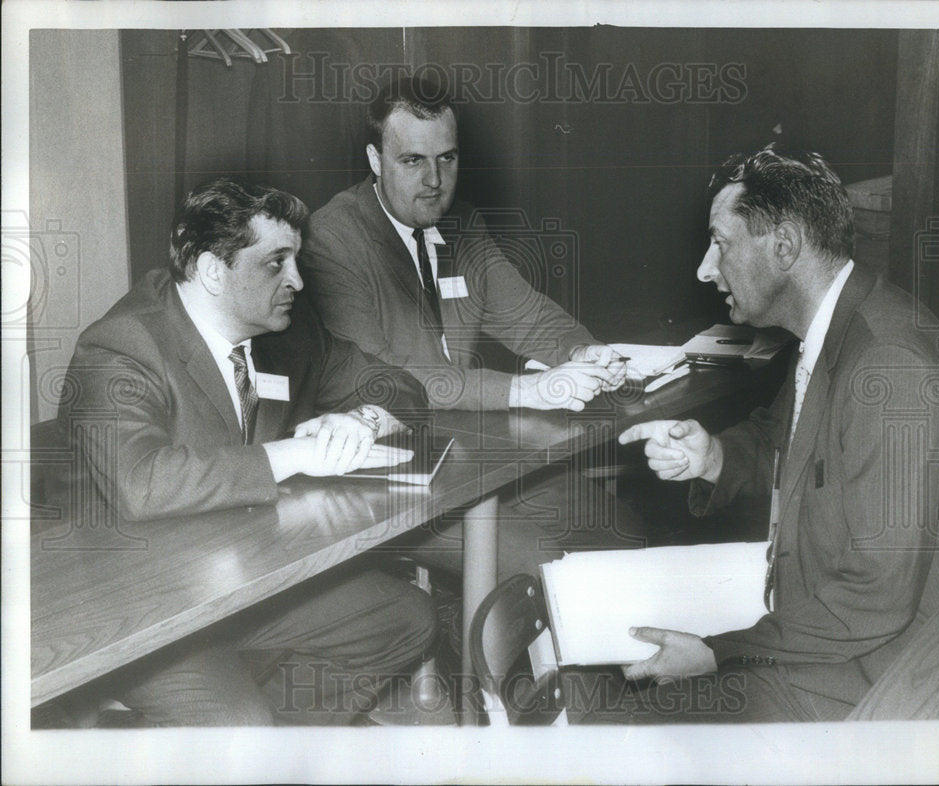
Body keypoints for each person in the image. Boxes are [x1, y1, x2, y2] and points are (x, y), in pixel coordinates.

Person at [605, 146, 939, 723]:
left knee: (632, 719)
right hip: (837, 637)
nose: (705, 267)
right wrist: (715, 455)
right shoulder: (842, 327)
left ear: (783, 246)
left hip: (884, 677)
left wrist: (719, 653)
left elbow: (876, 598)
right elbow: (785, 439)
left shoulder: (891, 367)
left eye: (720, 243)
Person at [56, 178, 437, 725]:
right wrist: (296, 453)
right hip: (137, 608)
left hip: (241, 581)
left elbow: (402, 389)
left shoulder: (285, 331)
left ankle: (278, 755)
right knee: (243, 724)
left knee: (405, 617)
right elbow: (141, 482)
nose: (298, 281)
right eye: (276, 263)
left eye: (297, 260)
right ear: (214, 270)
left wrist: (362, 419)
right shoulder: (122, 344)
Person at [300, 76, 648, 576]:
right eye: (413, 161)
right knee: (544, 568)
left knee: (622, 534)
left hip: (468, 448)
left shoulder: (460, 224)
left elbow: (528, 315)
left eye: (447, 158)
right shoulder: (331, 241)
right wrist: (529, 390)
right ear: (375, 161)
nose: (435, 180)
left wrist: (582, 353)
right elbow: (391, 377)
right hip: (382, 470)